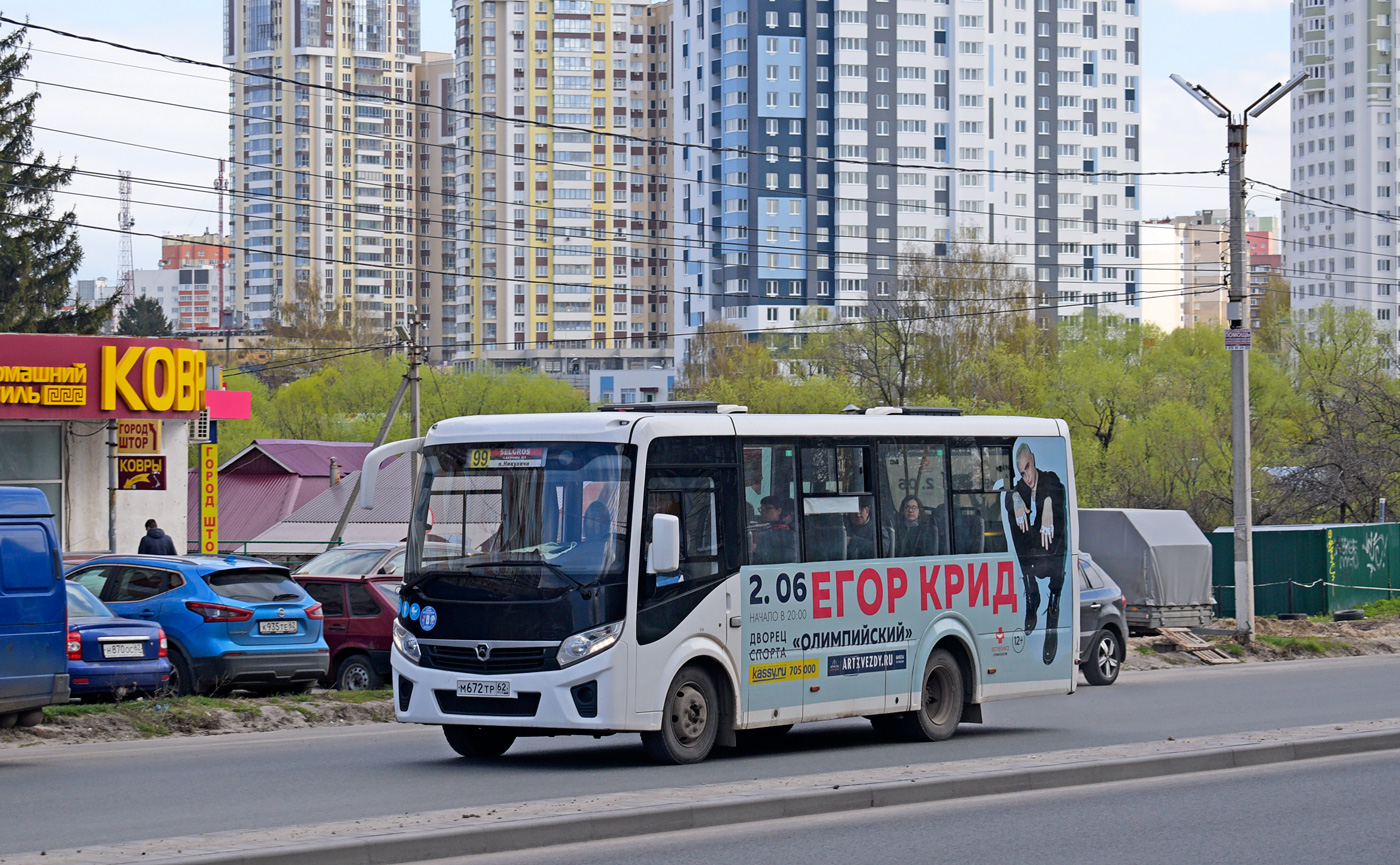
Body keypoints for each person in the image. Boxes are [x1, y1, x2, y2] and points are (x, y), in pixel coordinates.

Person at [1004, 443, 1068, 665]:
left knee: (1059, 522)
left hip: (1052, 552)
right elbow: (1008, 493)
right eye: (1022, 472)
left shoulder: (1051, 480)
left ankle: (1053, 608)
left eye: (1028, 467)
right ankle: (1032, 593)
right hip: (1032, 553)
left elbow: (1056, 488)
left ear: (1033, 459)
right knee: (1014, 514)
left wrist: (1048, 503)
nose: (1027, 477)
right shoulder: (1020, 487)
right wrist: (1014, 499)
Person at [751, 495, 797, 564]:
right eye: (761, 509)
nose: (763, 512)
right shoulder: (766, 529)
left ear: (779, 511)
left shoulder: (785, 533)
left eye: (767, 509)